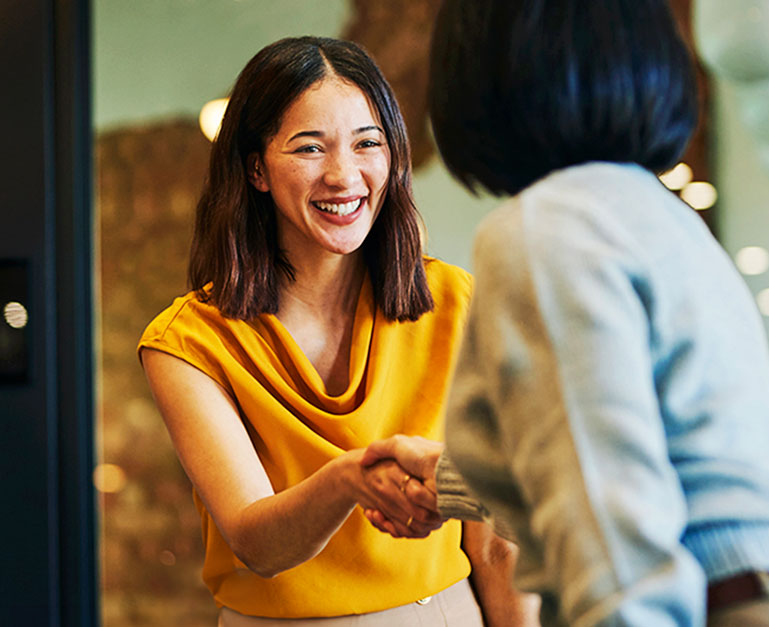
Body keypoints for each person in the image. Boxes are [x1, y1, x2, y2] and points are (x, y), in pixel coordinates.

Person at [360, 1, 769, 626]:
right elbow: (656, 445)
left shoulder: (544, 230)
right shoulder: (658, 216)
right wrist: (451, 482)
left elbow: (610, 531)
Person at [138, 36, 533, 626]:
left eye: (367, 143)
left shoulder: (456, 302)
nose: (344, 175)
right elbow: (257, 543)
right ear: (256, 169)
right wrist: (353, 478)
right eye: (309, 149)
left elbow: (498, 541)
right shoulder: (187, 343)